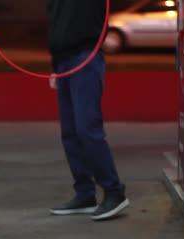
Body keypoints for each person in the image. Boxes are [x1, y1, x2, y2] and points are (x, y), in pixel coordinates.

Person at [47, 0, 129, 221]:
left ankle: (114, 192)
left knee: (86, 129)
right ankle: (85, 194)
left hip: (86, 56)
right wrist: (55, 66)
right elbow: (56, 22)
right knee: (70, 132)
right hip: (64, 60)